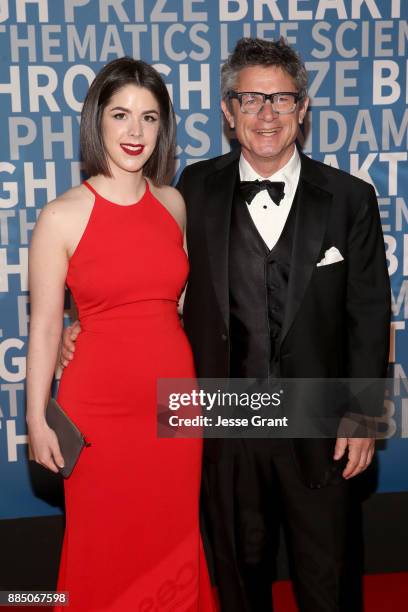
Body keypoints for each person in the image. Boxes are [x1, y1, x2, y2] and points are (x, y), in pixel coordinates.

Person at [62, 38, 390, 612]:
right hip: (221, 424)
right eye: (251, 99)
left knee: (330, 582)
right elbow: (147, 279)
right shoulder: (191, 190)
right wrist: (81, 328)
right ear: (228, 112)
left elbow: (369, 313)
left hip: (319, 422)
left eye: (282, 100)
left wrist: (365, 414)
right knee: (238, 583)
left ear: (303, 110)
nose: (267, 114)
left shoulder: (350, 198)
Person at [26, 57, 215, 612]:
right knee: (102, 541)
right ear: (97, 122)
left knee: (174, 532)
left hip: (175, 403)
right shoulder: (60, 216)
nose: (135, 132)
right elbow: (42, 326)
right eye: (121, 115)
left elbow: (171, 306)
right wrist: (35, 417)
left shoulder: (174, 205)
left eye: (150, 118)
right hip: (98, 409)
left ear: (163, 128)